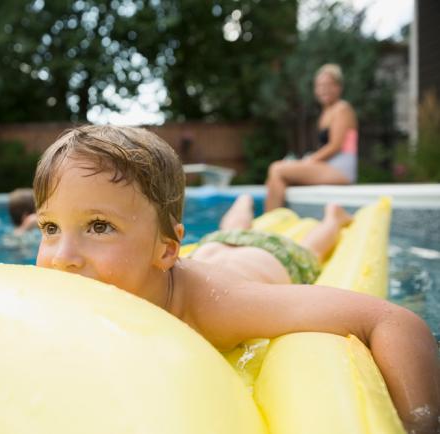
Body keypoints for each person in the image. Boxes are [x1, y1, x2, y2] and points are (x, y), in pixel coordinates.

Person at [32, 125, 438, 434]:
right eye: (49, 228)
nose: (62, 258)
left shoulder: (217, 308)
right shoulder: (98, 277)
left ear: (166, 249)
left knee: (309, 247)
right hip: (209, 246)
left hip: (267, 258)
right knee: (229, 229)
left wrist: (421, 424)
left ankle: (330, 220)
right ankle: (241, 207)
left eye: (99, 226)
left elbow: (395, 320)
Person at [264, 64, 359, 211]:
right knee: (275, 178)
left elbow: (335, 146)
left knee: (276, 168)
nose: (324, 89)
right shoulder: (326, 112)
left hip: (340, 170)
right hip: (327, 166)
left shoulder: (342, 108)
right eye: (320, 86)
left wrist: (309, 161)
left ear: (339, 87)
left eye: (328, 85)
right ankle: (276, 221)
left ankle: (270, 223)